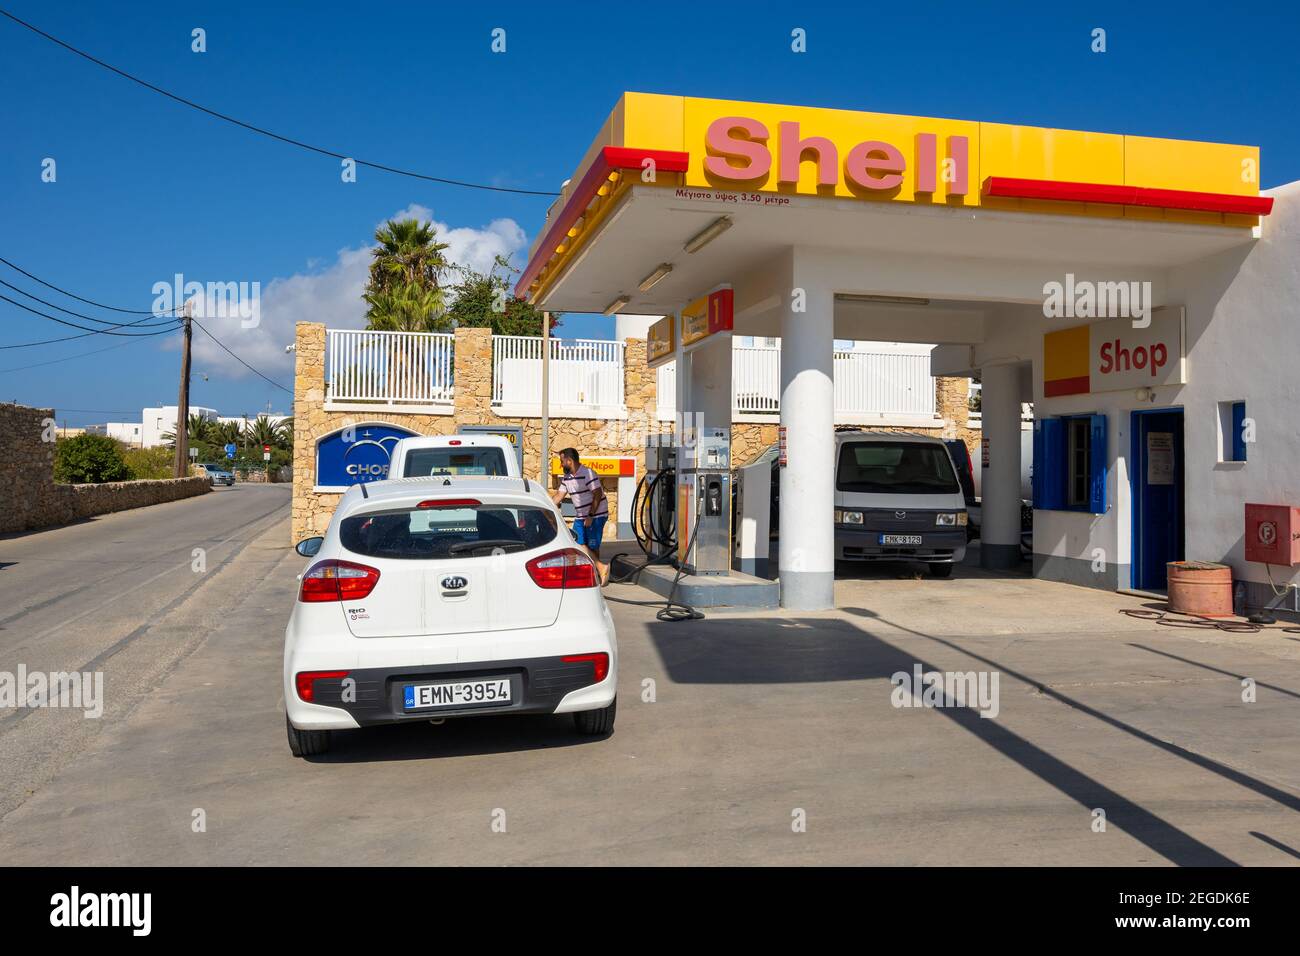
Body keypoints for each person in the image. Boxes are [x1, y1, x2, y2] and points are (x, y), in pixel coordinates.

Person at [551, 447, 610, 586]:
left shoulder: (587, 473)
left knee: (593, 546)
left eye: (562, 461)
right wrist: (546, 506)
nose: (561, 464)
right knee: (576, 542)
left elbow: (597, 494)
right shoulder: (567, 477)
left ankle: (596, 574)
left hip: (596, 514)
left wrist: (590, 515)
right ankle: (600, 568)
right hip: (581, 515)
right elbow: (559, 495)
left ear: (569, 461)